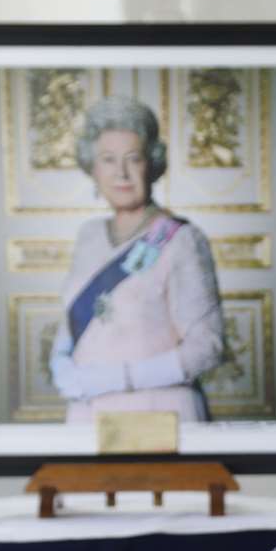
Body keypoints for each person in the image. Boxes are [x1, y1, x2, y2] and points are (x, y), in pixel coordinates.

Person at [48, 95, 224, 423]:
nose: (122, 173)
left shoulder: (182, 239)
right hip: (89, 413)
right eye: (108, 160)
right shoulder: (88, 236)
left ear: (152, 164)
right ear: (93, 168)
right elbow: (77, 319)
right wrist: (59, 361)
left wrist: (118, 379)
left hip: (159, 414)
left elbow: (206, 348)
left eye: (133, 159)